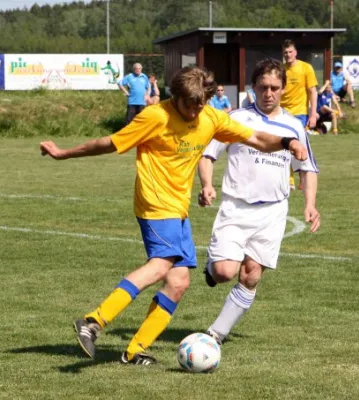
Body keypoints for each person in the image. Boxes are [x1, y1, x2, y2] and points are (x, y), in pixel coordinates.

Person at [39, 66, 310, 366]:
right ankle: (93, 321)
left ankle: (134, 351)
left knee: (179, 282)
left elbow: (257, 138)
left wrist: (288, 142)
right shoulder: (155, 116)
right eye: (189, 105)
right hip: (155, 204)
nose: (195, 113)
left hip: (178, 209)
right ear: (175, 96)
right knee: (159, 266)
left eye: (200, 105)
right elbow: (109, 143)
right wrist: (64, 153)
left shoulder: (210, 116)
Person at [197, 58, 320, 345]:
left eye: (274, 88)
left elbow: (308, 169)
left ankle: (215, 335)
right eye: (263, 87)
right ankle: (212, 266)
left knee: (251, 275)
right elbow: (207, 154)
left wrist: (310, 204)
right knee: (225, 272)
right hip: (236, 207)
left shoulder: (294, 126)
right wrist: (206, 184)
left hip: (273, 212)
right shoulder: (236, 119)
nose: (268, 93)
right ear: (253, 87)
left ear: (283, 89)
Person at [280, 39, 319, 190]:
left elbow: (312, 91)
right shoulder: (281, 69)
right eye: (285, 53)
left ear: (295, 52)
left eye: (290, 52)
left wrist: (313, 113)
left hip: (299, 114)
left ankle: (303, 177)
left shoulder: (306, 68)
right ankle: (289, 180)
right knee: (285, 146)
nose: (288, 55)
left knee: (299, 146)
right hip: (282, 113)